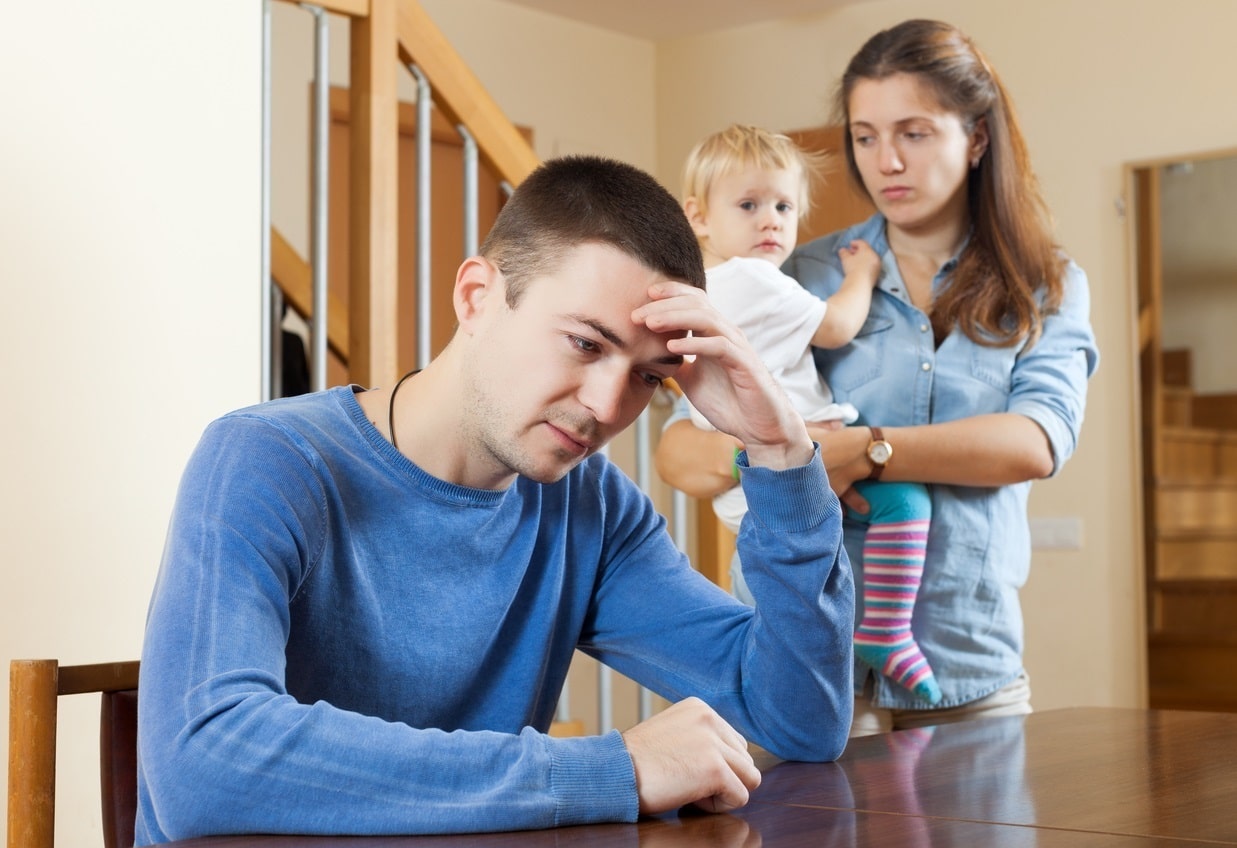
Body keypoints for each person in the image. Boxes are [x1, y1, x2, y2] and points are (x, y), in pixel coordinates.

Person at [135, 155, 855, 844]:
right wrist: (612, 770)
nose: (605, 405)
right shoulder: (268, 459)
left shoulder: (591, 508)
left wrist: (781, 456)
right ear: (477, 296)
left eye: (647, 377)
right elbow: (204, 760)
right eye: (583, 344)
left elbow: (798, 718)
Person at [656, 19, 1099, 736]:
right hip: (801, 661)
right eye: (864, 136)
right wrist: (770, 459)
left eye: (913, 133)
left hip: (965, 666)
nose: (884, 161)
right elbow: (679, 452)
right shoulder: (795, 274)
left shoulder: (1045, 282)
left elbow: (1035, 441)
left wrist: (865, 449)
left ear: (975, 138)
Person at [680, 123, 939, 704]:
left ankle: (787, 697)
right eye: (749, 205)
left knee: (775, 614)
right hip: (795, 463)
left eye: (783, 206)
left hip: (750, 486)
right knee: (905, 500)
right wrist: (862, 275)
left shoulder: (702, 289)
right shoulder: (750, 278)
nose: (770, 219)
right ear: (698, 216)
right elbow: (838, 325)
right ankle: (889, 629)